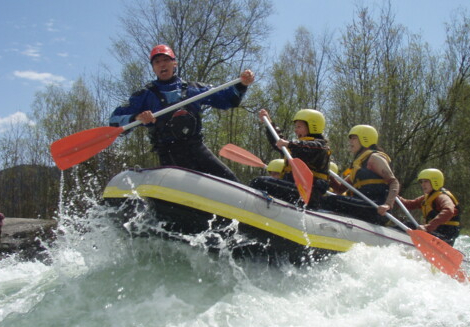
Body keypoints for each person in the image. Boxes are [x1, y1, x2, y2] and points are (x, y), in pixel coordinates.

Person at [109, 44, 255, 182]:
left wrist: (241, 85)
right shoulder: (144, 95)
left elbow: (227, 99)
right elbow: (114, 121)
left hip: (196, 148)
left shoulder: (194, 89)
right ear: (153, 68)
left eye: (166, 60)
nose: (162, 64)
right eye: (157, 62)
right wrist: (136, 117)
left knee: (230, 180)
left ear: (175, 63)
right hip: (168, 153)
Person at [250, 109, 331, 208]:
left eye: (299, 127)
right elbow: (278, 141)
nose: (295, 130)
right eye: (295, 127)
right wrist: (269, 124)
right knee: (261, 183)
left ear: (312, 127)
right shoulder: (296, 146)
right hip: (293, 190)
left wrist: (289, 144)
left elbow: (309, 147)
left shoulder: (320, 147)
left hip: (308, 195)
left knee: (259, 182)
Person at [322, 125, 399, 225]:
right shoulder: (359, 164)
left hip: (376, 207)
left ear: (365, 139)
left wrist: (387, 205)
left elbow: (394, 182)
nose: (350, 142)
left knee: (331, 201)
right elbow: (340, 189)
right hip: (363, 204)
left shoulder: (374, 157)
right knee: (330, 199)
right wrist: (326, 174)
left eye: (354, 138)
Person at [396, 168, 461, 246]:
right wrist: (393, 196)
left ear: (435, 182)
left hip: (445, 237)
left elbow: (449, 210)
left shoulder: (442, 197)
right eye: (421, 182)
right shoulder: (426, 198)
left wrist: (428, 227)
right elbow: (408, 204)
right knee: (407, 224)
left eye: (426, 181)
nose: (423, 184)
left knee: (409, 225)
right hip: (435, 234)